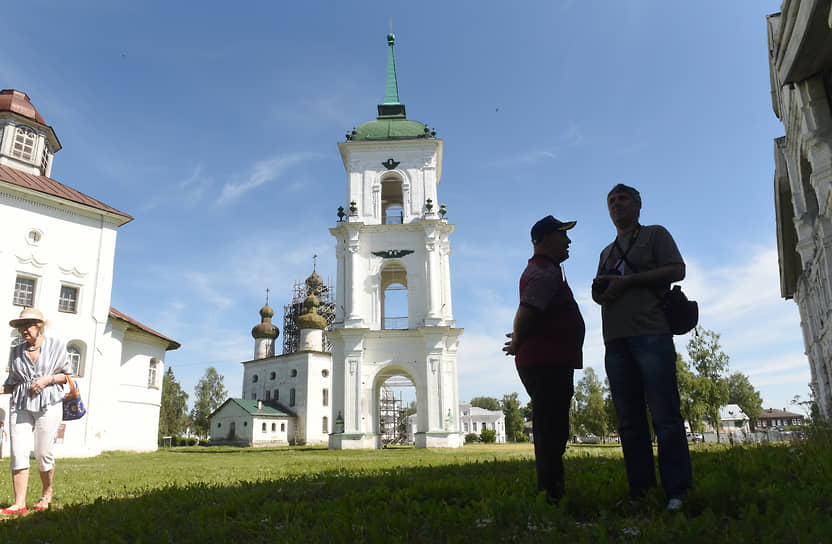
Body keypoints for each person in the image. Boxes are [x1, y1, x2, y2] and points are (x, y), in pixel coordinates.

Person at [591, 184, 692, 511]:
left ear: (638, 205)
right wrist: (601, 293)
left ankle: (677, 491)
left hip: (651, 333)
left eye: (622, 199)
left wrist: (629, 282)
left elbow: (678, 269)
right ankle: (642, 492)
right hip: (615, 340)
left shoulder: (655, 235)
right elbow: (602, 288)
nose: (616, 205)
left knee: (665, 415)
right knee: (629, 421)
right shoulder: (606, 252)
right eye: (611, 201)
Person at [503, 215, 585, 504]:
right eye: (563, 235)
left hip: (551, 358)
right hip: (546, 360)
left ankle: (552, 487)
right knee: (551, 428)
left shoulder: (548, 269)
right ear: (545, 239)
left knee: (553, 426)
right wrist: (517, 341)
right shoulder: (543, 271)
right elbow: (527, 311)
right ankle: (550, 493)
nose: (569, 241)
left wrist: (518, 339)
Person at [1, 308, 71, 514]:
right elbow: (12, 384)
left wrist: (47, 379)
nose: (24, 330)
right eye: (21, 326)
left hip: (48, 404)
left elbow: (66, 376)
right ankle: (19, 503)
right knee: (18, 452)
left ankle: (46, 493)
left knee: (42, 453)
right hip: (20, 405)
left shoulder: (56, 346)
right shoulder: (16, 351)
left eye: (28, 325)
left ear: (40, 326)